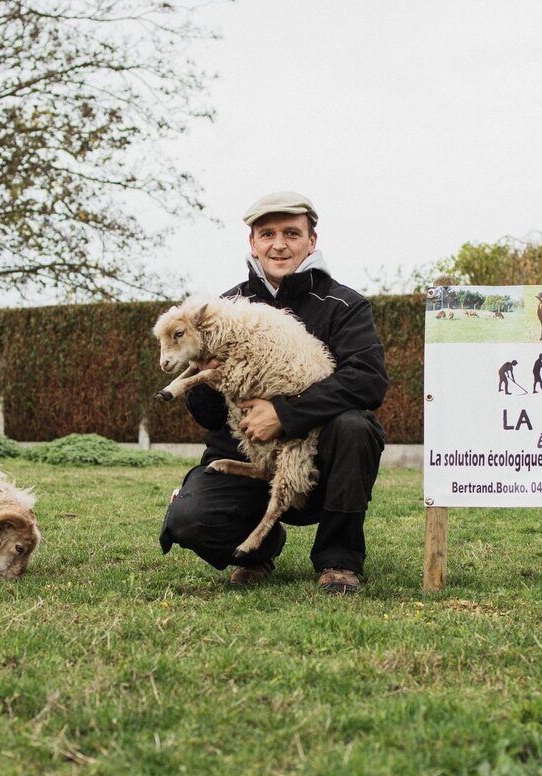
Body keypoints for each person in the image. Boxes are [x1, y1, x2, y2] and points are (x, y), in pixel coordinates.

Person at [159, 192, 388, 595]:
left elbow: (368, 380)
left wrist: (285, 413)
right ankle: (258, 549)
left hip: (317, 458)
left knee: (357, 427)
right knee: (188, 521)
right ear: (252, 243)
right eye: (267, 234)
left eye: (291, 233)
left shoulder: (344, 305)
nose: (278, 244)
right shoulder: (217, 310)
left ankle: (339, 560)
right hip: (243, 452)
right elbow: (208, 417)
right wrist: (209, 376)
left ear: (311, 241)